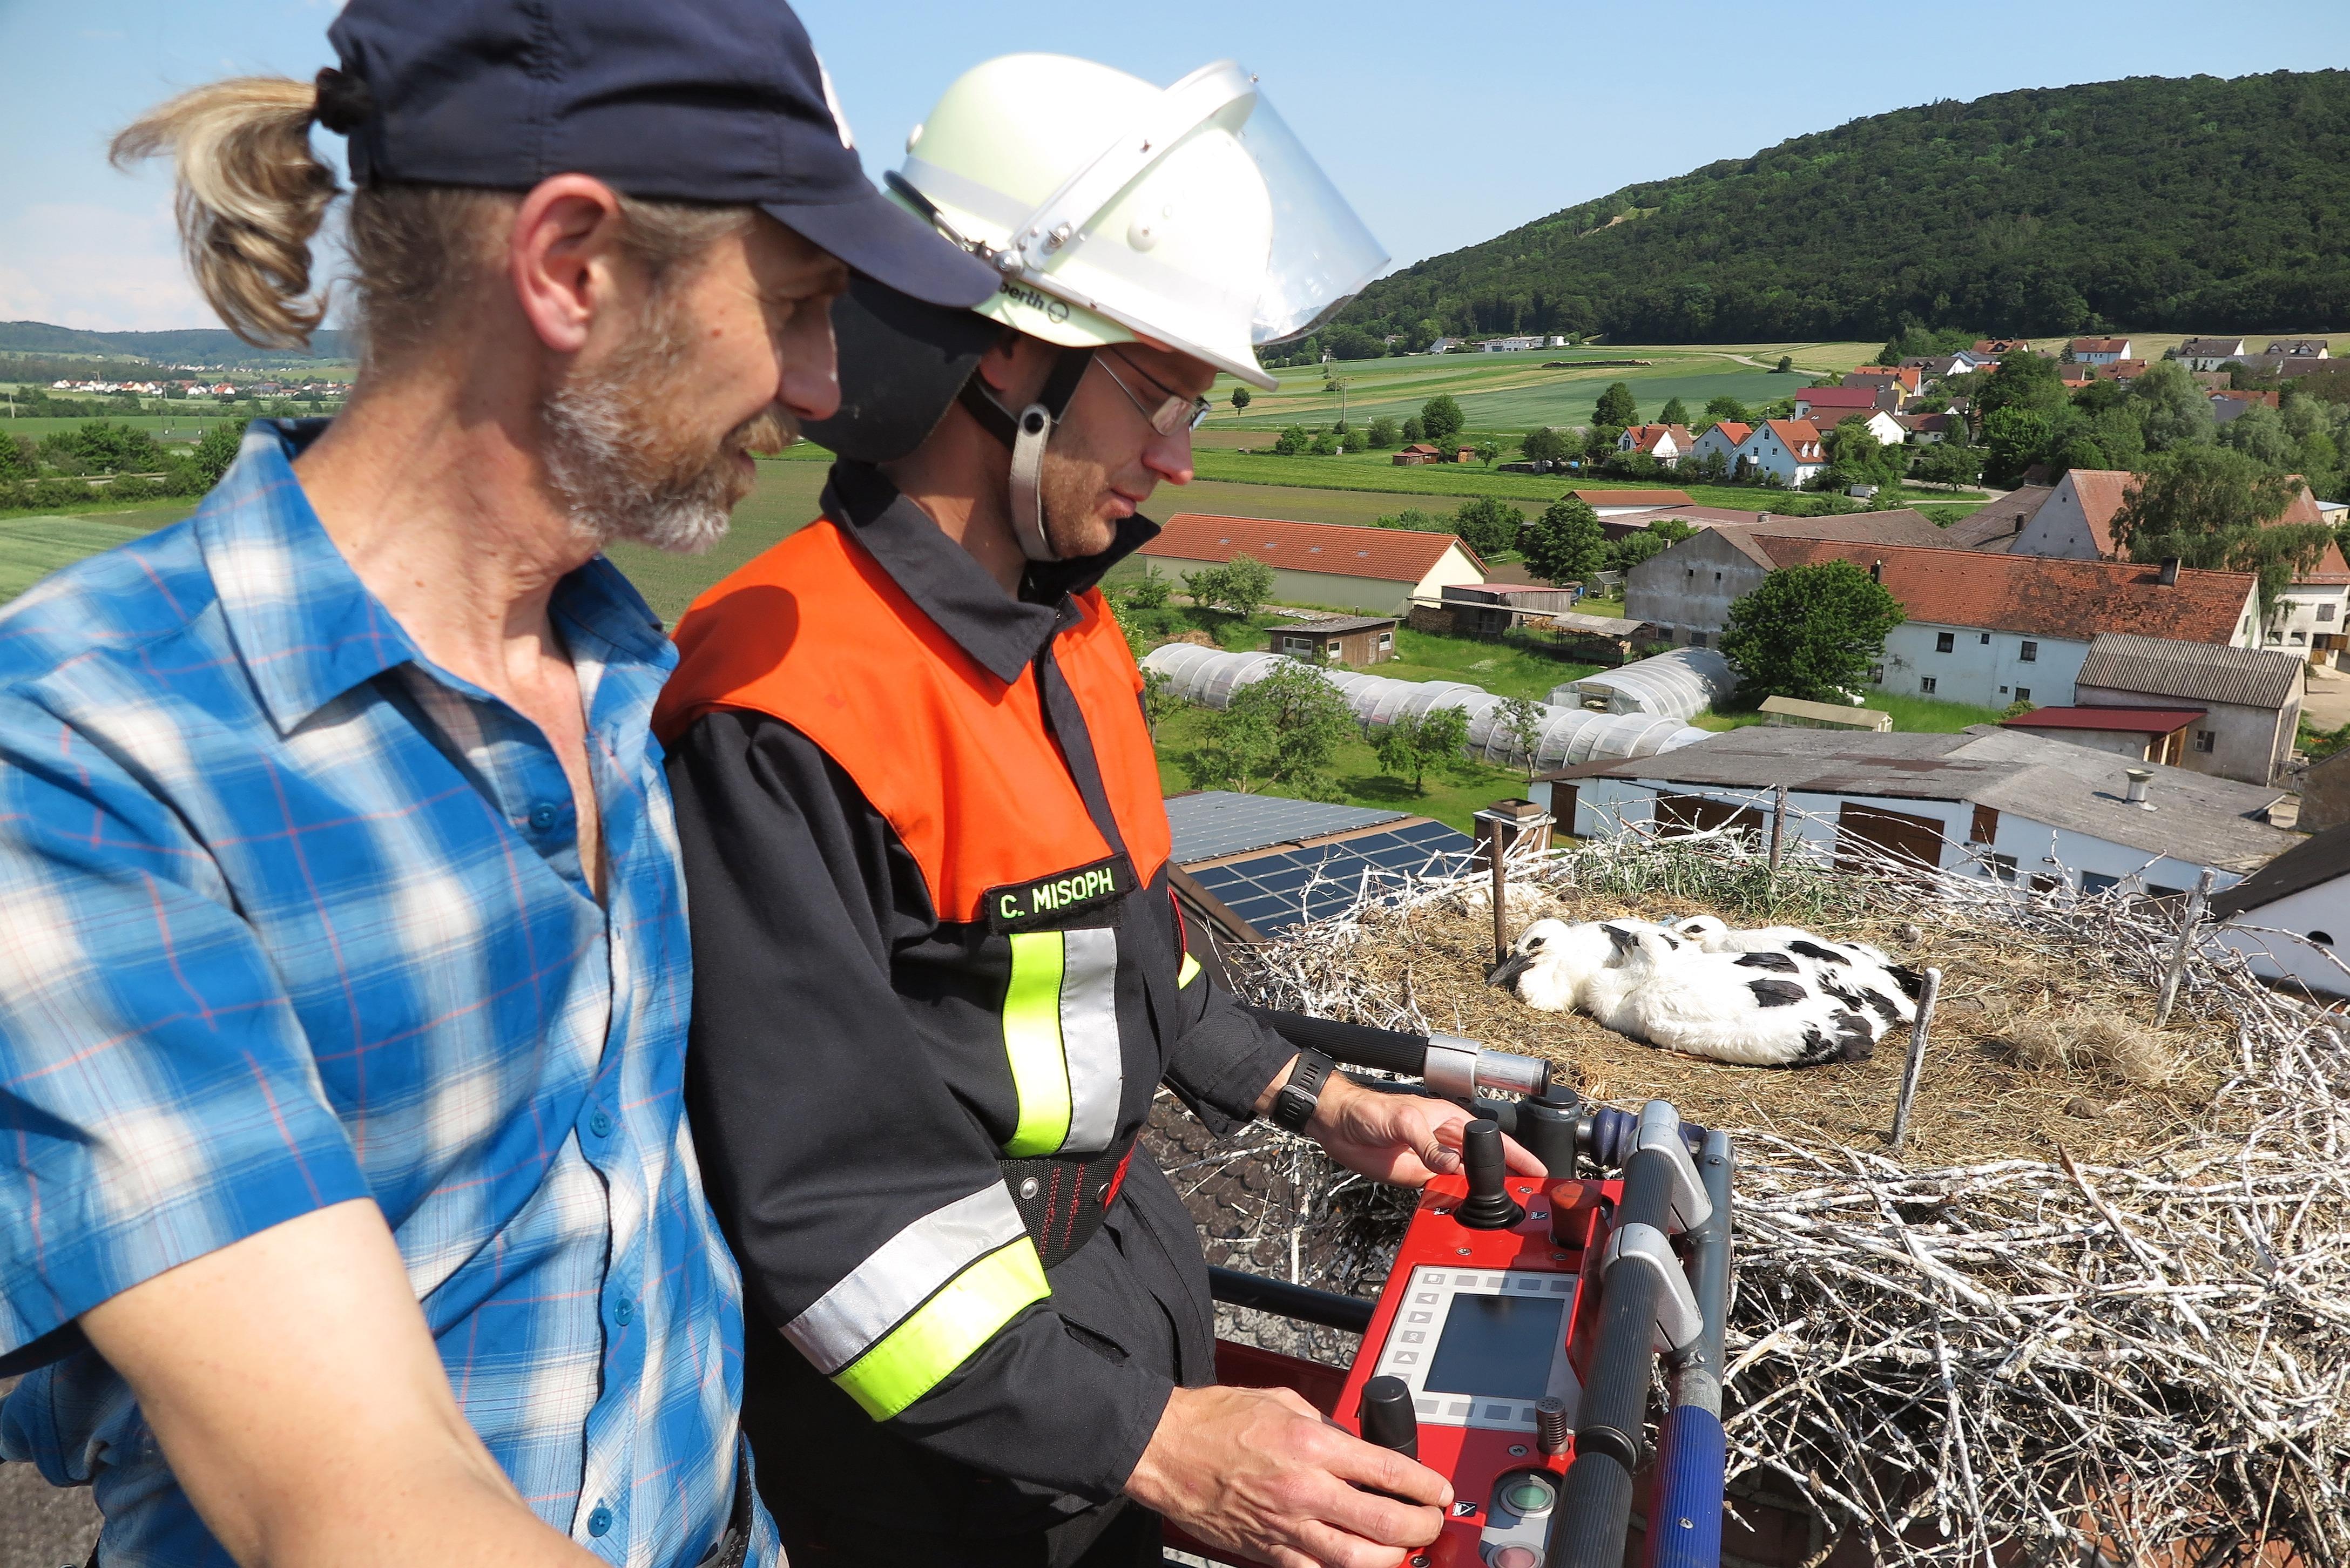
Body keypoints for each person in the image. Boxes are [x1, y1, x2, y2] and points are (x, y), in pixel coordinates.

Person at [0, 3, 997, 1566]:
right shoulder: (87, 754)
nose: (818, 387)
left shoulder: (614, 672)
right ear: (572, 268)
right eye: (799, 306)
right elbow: (355, 1502)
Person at [653, 53, 1543, 1568]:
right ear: (1009, 356)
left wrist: (1320, 1100)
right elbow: (825, 1208)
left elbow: (1126, 947)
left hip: (1116, 1279)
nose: (1181, 460)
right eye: (1162, 400)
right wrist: (1142, 1440)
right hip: (940, 1424)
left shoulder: (1064, 627)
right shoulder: (780, 692)